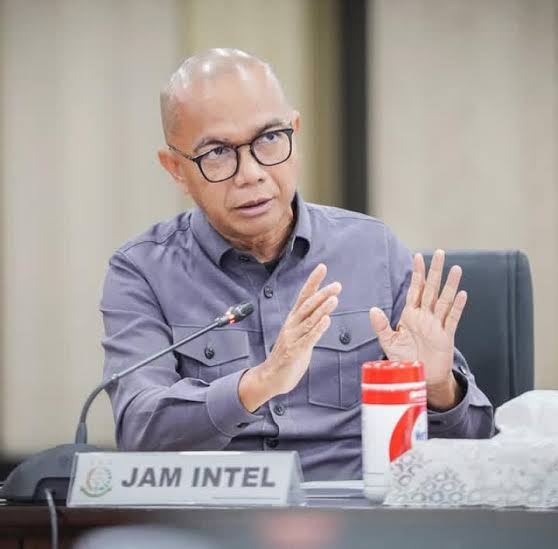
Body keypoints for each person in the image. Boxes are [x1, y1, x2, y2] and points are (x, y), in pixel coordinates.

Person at [101, 48, 494, 481]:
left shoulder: (373, 251)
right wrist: (260, 382)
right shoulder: (142, 271)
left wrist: (437, 387)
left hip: (356, 510)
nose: (250, 173)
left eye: (270, 138)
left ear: (295, 133)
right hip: (219, 513)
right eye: (217, 152)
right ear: (176, 168)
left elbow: (476, 442)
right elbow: (139, 430)